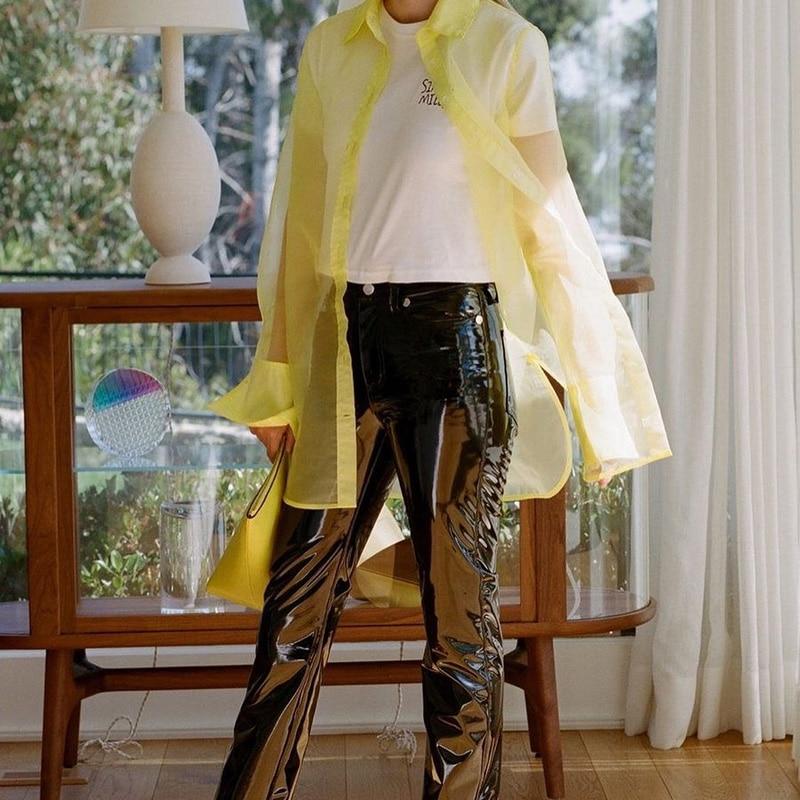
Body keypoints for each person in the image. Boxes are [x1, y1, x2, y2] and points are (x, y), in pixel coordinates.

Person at [208, 0, 672, 797]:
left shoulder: (506, 45)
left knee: (458, 622)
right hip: (345, 346)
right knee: (292, 611)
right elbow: (298, 230)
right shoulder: (330, 48)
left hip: (456, 347)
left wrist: (597, 394)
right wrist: (278, 382)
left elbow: (551, 221)